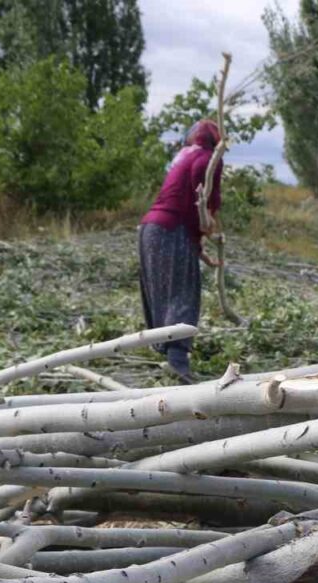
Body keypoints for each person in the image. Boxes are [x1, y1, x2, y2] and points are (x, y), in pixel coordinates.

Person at [138, 119, 223, 384]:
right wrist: (208, 225)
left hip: (150, 230)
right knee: (183, 292)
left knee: (161, 291)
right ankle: (177, 361)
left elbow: (189, 205)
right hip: (171, 229)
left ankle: (165, 349)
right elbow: (202, 208)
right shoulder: (209, 159)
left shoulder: (183, 156)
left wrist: (199, 249)